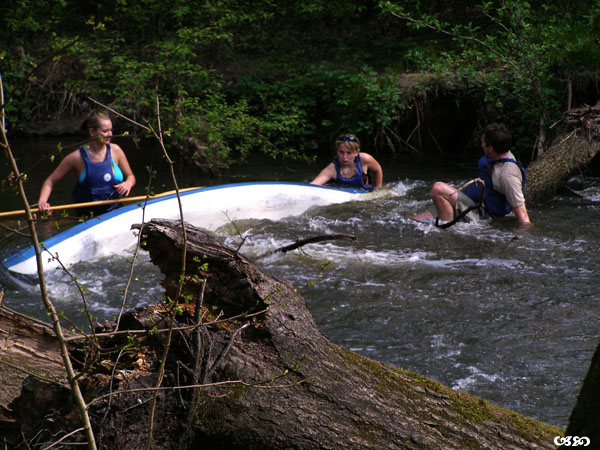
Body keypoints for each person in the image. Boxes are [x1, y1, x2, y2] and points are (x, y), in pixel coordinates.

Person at [429, 122, 532, 227]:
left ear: (490, 148)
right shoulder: (500, 154)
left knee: (438, 189)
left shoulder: (507, 176)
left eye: (483, 142)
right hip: (478, 205)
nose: (481, 145)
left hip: (486, 218)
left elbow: (524, 218)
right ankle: (449, 222)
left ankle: (448, 232)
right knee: (420, 217)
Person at [37, 112, 136, 216]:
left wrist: (128, 183)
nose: (110, 134)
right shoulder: (75, 157)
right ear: (92, 132)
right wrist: (42, 201)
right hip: (87, 216)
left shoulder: (116, 150)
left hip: (114, 211)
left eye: (111, 130)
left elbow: (131, 176)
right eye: (105, 131)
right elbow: (50, 181)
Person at [310, 134, 383, 190]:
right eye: (341, 152)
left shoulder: (364, 159)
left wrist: (378, 188)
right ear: (336, 151)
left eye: (349, 153)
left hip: (366, 194)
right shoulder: (332, 169)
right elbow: (314, 185)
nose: (345, 157)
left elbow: (378, 169)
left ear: (357, 152)